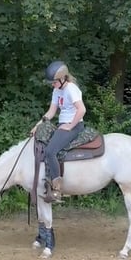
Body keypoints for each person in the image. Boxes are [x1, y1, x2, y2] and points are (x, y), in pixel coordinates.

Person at [30, 60, 87, 202]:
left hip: (74, 125)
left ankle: (57, 189)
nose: (52, 84)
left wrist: (70, 125)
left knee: (50, 151)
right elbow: (51, 112)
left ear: (62, 79)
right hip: (62, 124)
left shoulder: (71, 89)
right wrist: (38, 125)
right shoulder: (57, 90)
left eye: (54, 82)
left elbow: (82, 110)